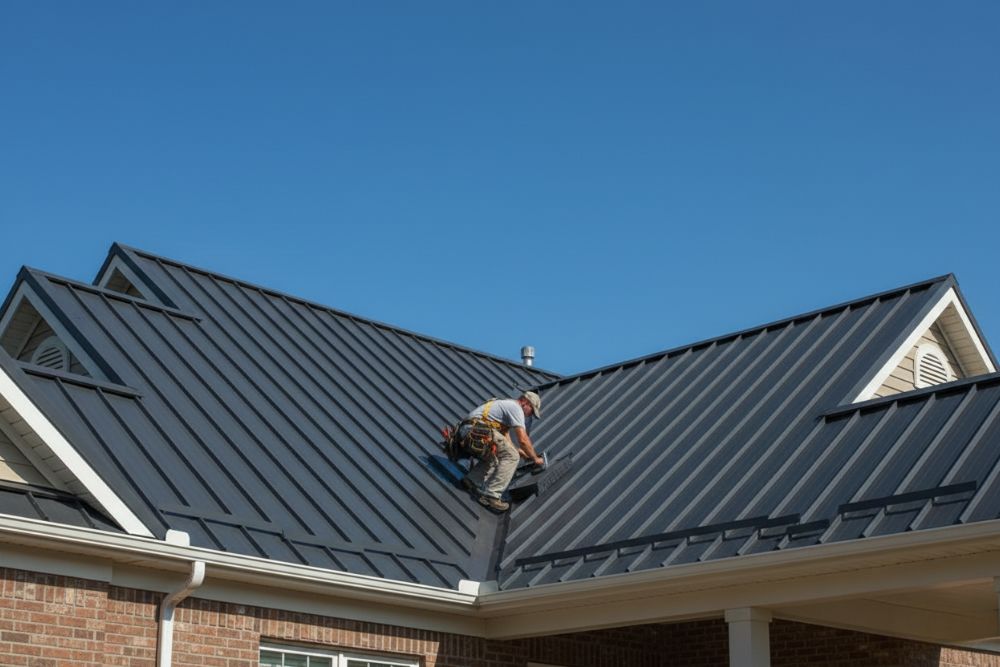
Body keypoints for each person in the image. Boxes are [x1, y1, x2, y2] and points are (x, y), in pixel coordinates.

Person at [460, 391, 543, 512]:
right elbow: (523, 439)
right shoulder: (516, 408)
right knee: (512, 456)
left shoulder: (506, 406)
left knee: (500, 455)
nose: (529, 416)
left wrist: (522, 452)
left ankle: (471, 481)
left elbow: (505, 441)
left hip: (468, 433)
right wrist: (535, 459)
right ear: (525, 402)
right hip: (476, 430)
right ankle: (491, 495)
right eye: (531, 411)